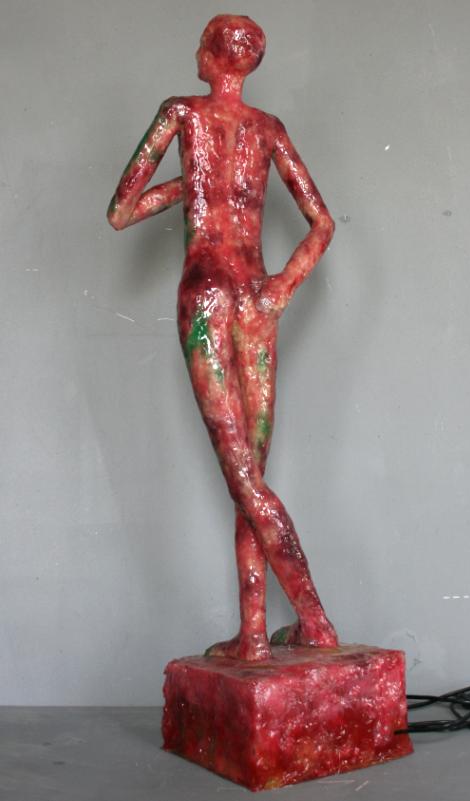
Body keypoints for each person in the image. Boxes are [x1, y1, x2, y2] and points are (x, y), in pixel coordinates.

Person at [107, 14, 338, 661]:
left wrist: (189, 185)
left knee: (242, 476)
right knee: (250, 473)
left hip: (207, 295)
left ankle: (315, 620)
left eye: (200, 44)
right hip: (257, 299)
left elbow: (121, 211)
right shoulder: (269, 129)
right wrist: (280, 288)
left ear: (212, 56)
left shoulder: (180, 112)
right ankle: (255, 634)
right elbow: (321, 223)